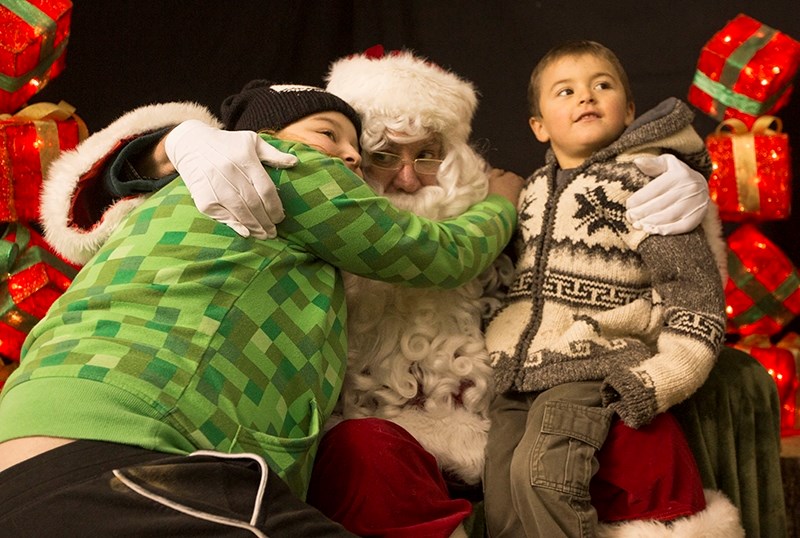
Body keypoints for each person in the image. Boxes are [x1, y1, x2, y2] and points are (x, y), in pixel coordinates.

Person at [31, 47, 785, 537]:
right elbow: (88, 215)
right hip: (343, 434)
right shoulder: (260, 187)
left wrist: (683, 173)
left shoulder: (501, 214)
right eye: (384, 155)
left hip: (507, 411)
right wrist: (171, 145)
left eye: (432, 155)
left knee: (631, 428)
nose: (411, 178)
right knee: (364, 456)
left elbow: (592, 223)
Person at [0, 81, 523, 537]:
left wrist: (161, 149)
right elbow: (437, 253)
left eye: (357, 146)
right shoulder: (282, 166)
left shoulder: (173, 201)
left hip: (27, 440)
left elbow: (100, 200)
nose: (352, 157)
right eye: (328, 133)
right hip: (138, 445)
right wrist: (500, 201)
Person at [482, 40, 744, 537]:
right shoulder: (531, 191)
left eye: (602, 85)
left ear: (628, 112)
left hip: (593, 359)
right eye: (565, 91)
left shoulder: (646, 183)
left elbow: (697, 299)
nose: (586, 97)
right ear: (538, 125)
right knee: (503, 493)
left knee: (540, 475)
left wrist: (661, 378)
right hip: (515, 372)